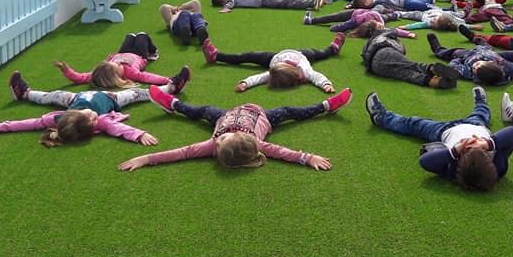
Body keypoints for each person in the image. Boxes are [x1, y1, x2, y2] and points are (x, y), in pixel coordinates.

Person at [116, 85, 353, 172]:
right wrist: (308, 158)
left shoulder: (212, 145)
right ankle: (325, 106)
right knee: (290, 111)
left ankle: (173, 104)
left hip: (223, 115)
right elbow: (283, 152)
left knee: (203, 110)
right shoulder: (257, 143)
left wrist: (146, 159)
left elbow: (181, 153)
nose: (219, 138)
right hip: (262, 115)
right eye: (223, 138)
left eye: (221, 139)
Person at [365, 87, 513, 191]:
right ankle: (481, 102)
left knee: (413, 123)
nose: (471, 143)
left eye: (467, 149)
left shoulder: (453, 170)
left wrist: (456, 150)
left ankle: (380, 117)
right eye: (481, 152)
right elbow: (512, 133)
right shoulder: (499, 167)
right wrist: (486, 144)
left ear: (460, 161)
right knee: (481, 112)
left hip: (443, 131)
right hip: (476, 125)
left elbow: (424, 161)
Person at [0, 71, 162, 147]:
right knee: (133, 93)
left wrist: (1, 126)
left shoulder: (59, 118)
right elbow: (119, 129)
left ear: (72, 112)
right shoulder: (101, 121)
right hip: (110, 98)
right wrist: (139, 134)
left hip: (75, 97)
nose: (94, 115)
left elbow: (31, 123)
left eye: (89, 115)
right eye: (93, 120)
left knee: (54, 95)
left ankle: (24, 93)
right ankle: (166, 89)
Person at [54, 31, 190, 92]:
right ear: (116, 76)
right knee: (142, 36)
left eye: (113, 62)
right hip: (138, 54)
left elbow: (80, 77)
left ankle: (133, 37)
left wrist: (66, 70)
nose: (118, 63)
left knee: (129, 36)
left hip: (122, 52)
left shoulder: (99, 72)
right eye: (116, 66)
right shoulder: (129, 72)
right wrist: (167, 79)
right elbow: (148, 77)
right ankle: (153, 51)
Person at [203, 36, 345, 93]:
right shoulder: (281, 71)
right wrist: (246, 83)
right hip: (279, 57)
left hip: (296, 55)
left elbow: (317, 77)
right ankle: (216, 56)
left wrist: (325, 84)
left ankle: (332, 49)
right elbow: (259, 78)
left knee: (321, 53)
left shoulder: (304, 71)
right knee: (247, 56)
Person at [361, 28, 460, 89]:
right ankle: (432, 68)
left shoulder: (371, 43)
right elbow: (397, 36)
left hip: (375, 68)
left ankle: (434, 82)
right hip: (384, 53)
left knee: (407, 74)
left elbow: (363, 55)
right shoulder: (386, 35)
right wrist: (404, 38)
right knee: (413, 66)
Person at [426, 33, 513, 85]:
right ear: (490, 62)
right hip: (484, 50)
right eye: (478, 65)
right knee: (488, 48)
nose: (474, 66)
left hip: (466, 56)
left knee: (452, 52)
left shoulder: (469, 73)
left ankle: (438, 49)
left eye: (474, 69)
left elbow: (454, 66)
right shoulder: (503, 65)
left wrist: (458, 60)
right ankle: (480, 42)